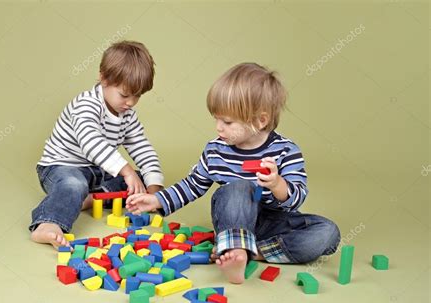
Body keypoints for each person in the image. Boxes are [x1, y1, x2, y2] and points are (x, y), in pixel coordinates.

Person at [126, 62, 340, 284]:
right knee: (239, 187)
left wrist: (277, 184)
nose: (219, 128)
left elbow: (296, 198)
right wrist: (157, 200)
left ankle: (254, 251)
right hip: (234, 216)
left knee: (328, 232)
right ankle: (236, 248)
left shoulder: (286, 150)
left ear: (260, 120)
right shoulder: (216, 150)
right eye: (216, 119)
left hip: (273, 223)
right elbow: (192, 185)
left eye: (227, 122)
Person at [29, 41, 164, 249]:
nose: (130, 103)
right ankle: (48, 223)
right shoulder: (86, 106)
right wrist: (126, 171)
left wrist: (154, 190)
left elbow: (142, 147)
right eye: (125, 95)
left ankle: (89, 198)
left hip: (96, 171)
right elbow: (91, 143)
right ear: (103, 78)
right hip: (60, 167)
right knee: (74, 184)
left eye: (137, 96)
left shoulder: (127, 115)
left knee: (139, 180)